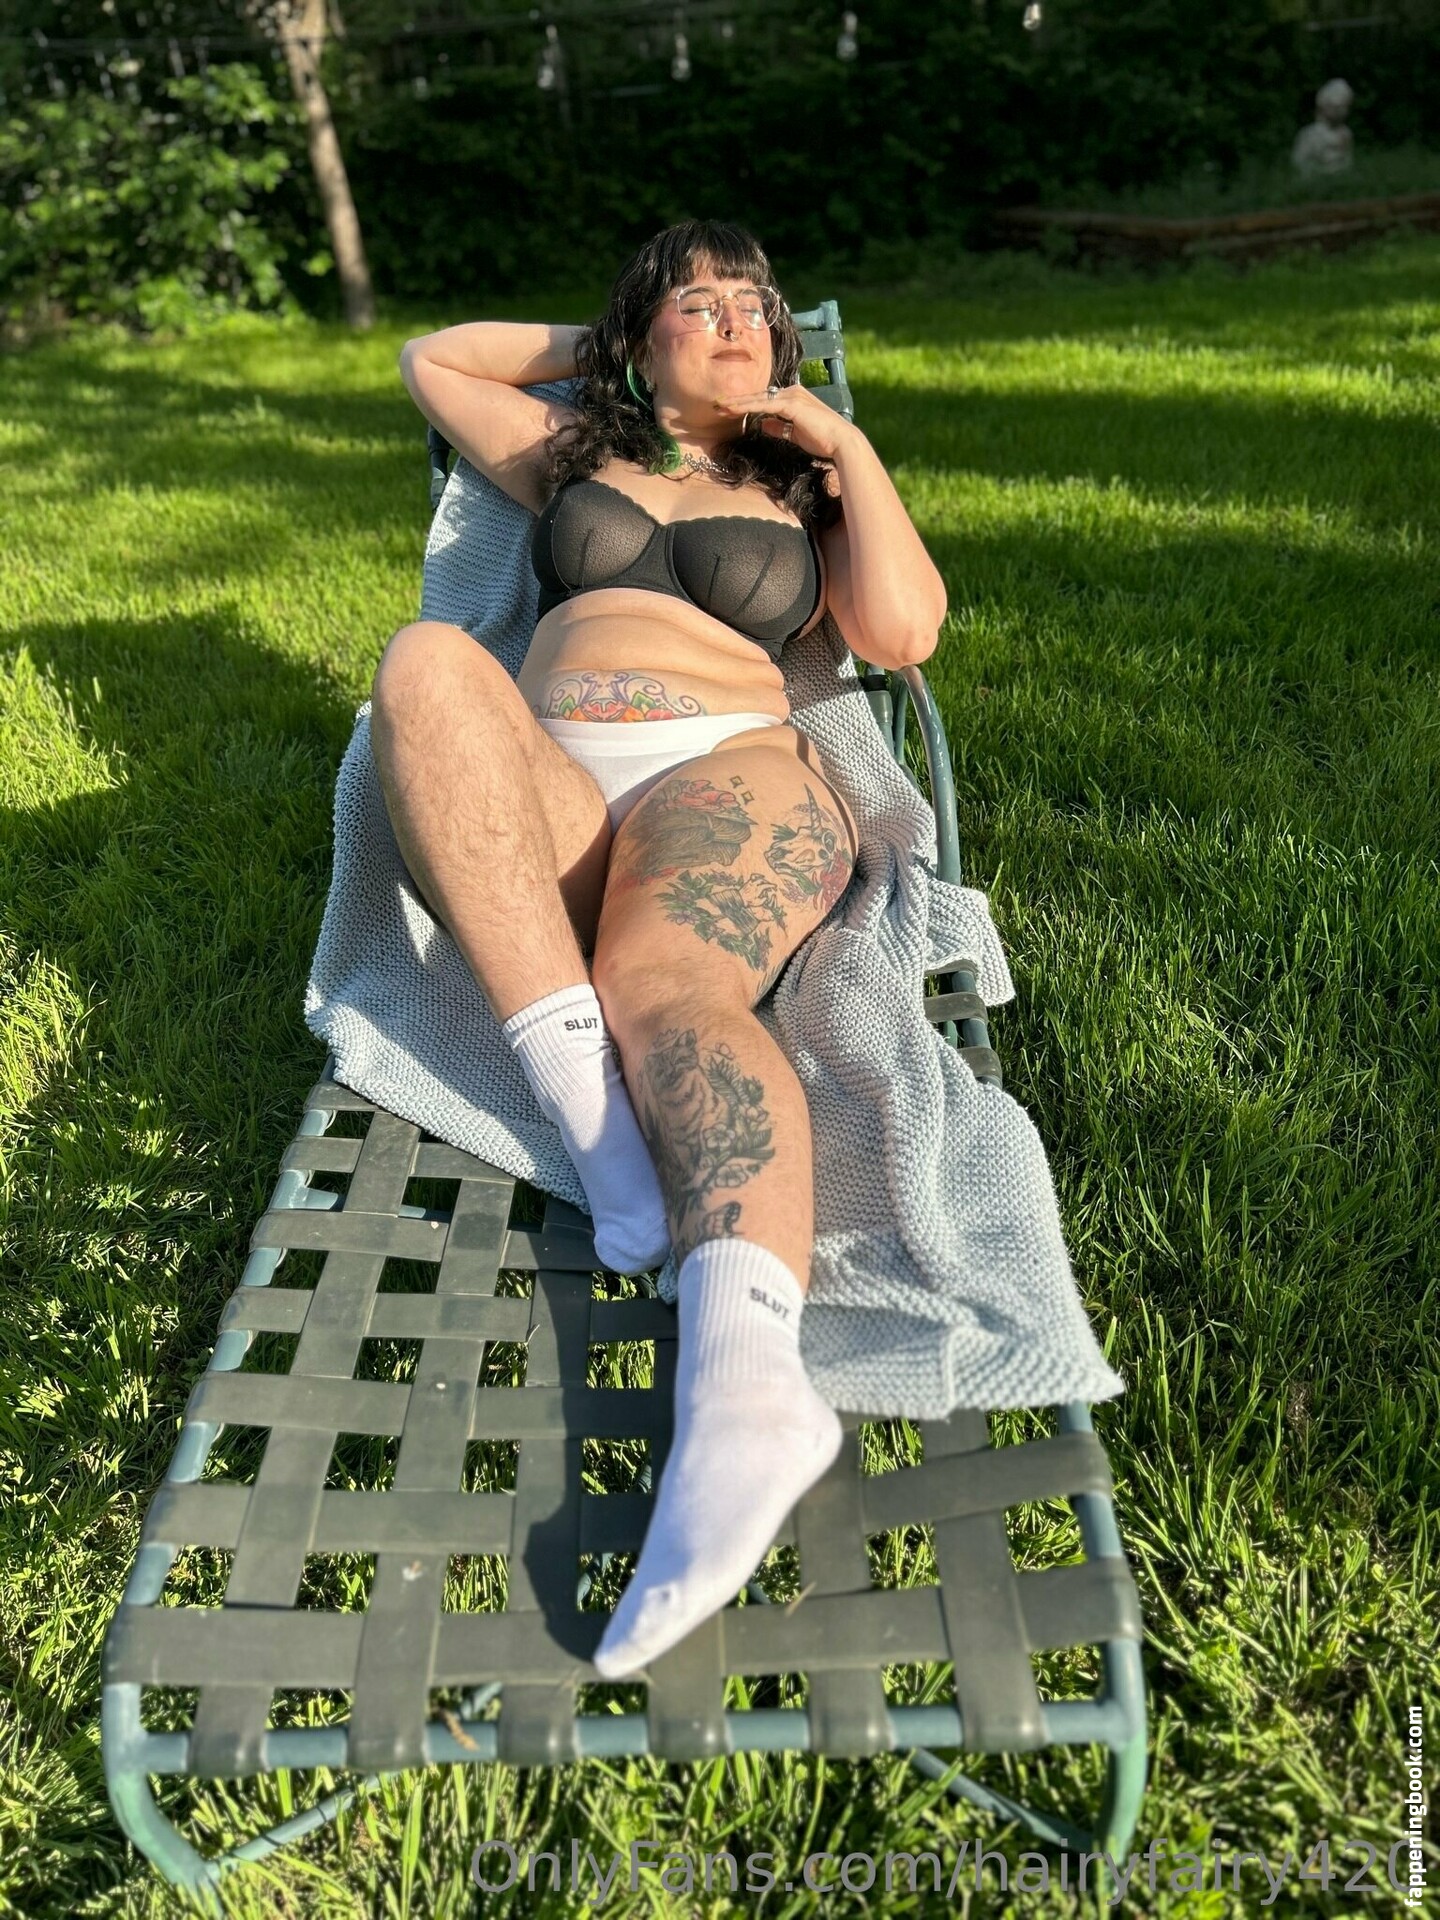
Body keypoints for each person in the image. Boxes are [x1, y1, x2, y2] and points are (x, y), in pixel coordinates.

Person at [370, 219, 947, 1678]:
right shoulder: (574, 458)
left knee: (660, 983)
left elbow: (901, 633)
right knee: (424, 663)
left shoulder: (795, 482)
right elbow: (432, 359)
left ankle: (751, 1397)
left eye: (757, 303)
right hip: (551, 794)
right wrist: (621, 351)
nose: (738, 317)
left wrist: (838, 442)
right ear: (643, 334)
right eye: (702, 300)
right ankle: (597, 1120)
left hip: (730, 776)